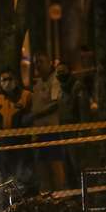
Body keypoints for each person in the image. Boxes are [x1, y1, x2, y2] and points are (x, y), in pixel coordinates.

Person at [0, 69, 34, 191]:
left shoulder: (26, 96)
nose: (7, 82)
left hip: (22, 142)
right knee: (8, 177)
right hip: (5, 144)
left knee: (24, 176)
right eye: (3, 80)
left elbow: (33, 117)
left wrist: (32, 138)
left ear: (15, 80)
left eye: (9, 79)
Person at [31, 52, 65, 190]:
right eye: (36, 62)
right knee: (42, 165)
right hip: (39, 132)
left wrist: (36, 115)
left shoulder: (55, 80)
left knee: (55, 164)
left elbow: (56, 104)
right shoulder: (38, 84)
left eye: (41, 61)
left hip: (52, 131)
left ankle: (61, 194)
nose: (38, 65)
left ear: (49, 62)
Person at [56, 64, 91, 186]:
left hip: (75, 132)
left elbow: (84, 112)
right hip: (64, 133)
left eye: (62, 71)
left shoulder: (78, 88)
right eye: (58, 72)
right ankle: (74, 195)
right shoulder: (61, 89)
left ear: (69, 71)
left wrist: (82, 133)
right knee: (68, 166)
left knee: (79, 165)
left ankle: (85, 194)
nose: (60, 74)